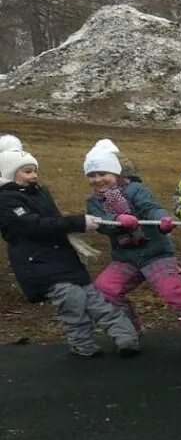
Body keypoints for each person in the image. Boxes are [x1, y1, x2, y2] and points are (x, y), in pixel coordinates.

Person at [0, 147, 139, 357]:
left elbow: (54, 221)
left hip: (63, 257)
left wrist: (75, 225)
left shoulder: (40, 191)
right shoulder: (6, 200)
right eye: (27, 171)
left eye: (34, 171)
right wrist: (77, 222)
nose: (34, 176)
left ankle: (127, 338)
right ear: (10, 173)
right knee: (73, 304)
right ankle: (82, 344)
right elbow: (32, 225)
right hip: (39, 264)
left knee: (96, 300)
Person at [83, 139, 181, 339]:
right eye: (92, 175)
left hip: (155, 253)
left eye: (103, 174)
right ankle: (129, 331)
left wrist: (161, 219)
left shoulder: (136, 190)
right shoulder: (94, 202)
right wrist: (116, 220)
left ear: (117, 173)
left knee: (174, 294)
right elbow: (100, 223)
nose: (97, 179)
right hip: (126, 258)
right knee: (105, 290)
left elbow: (150, 208)